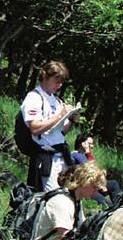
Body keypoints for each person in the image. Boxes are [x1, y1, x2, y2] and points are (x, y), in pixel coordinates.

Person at [21, 61, 81, 191]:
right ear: (45, 76)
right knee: (53, 197)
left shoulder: (57, 100)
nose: (59, 85)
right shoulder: (34, 98)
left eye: (61, 82)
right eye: (56, 81)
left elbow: (61, 131)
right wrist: (59, 115)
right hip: (46, 157)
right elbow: (35, 128)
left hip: (62, 155)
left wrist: (71, 120)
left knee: (71, 194)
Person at [31, 162, 106, 240]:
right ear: (85, 183)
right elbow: (66, 238)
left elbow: (82, 227)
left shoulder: (76, 201)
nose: (96, 192)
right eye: (94, 187)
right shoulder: (63, 202)